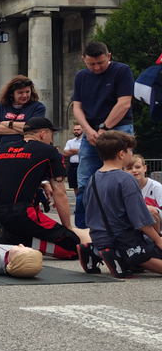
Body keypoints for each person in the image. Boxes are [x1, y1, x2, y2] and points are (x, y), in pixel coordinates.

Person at [0, 117, 92, 260]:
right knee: (73, 247)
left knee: (26, 227)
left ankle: (12, 235)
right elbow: (60, 193)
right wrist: (68, 229)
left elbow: (12, 173)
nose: (51, 140)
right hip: (20, 215)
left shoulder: (4, 148)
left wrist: (43, 183)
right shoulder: (49, 151)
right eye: (51, 135)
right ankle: (16, 240)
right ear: (42, 134)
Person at [72, 41, 135, 228]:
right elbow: (77, 107)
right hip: (90, 131)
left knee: (120, 177)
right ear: (83, 59)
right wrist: (87, 130)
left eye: (100, 62)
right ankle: (83, 228)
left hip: (118, 128)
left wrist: (104, 129)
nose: (96, 67)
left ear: (109, 56)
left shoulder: (121, 70)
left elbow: (124, 103)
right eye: (91, 64)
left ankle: (122, 225)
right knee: (85, 180)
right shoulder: (81, 76)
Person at [83, 130, 162, 277]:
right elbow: (140, 218)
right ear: (121, 154)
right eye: (130, 150)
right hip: (125, 240)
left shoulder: (92, 179)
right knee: (150, 254)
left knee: (138, 266)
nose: (131, 154)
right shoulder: (126, 179)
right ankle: (117, 256)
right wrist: (158, 240)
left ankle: (96, 252)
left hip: (99, 237)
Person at [0, 76, 47, 146]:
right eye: (20, 93)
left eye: (27, 92)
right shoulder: (2, 106)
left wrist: (9, 124)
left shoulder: (38, 107)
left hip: (27, 148)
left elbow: (34, 129)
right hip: (4, 148)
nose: (25, 95)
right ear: (12, 93)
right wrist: (23, 130)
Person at [63, 123, 82, 197]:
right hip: (72, 166)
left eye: (78, 129)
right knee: (74, 185)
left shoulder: (85, 142)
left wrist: (71, 150)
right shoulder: (70, 142)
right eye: (75, 130)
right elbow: (65, 153)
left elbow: (83, 152)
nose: (76, 131)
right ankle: (77, 200)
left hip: (81, 165)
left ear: (83, 130)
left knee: (82, 185)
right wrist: (77, 151)